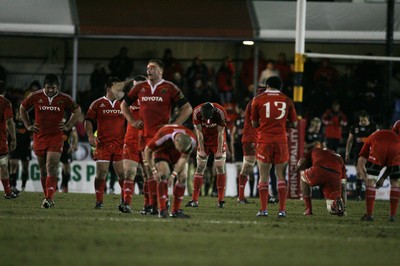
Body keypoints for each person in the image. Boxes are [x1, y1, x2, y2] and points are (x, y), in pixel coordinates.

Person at [120, 59, 192, 214]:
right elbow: (123, 104)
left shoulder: (169, 88)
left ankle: (159, 205)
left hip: (165, 139)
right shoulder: (140, 87)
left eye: (152, 68)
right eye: (147, 68)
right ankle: (150, 205)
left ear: (161, 71)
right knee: (148, 173)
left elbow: (187, 108)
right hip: (145, 137)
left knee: (164, 173)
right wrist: (132, 120)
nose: (149, 70)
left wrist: (173, 126)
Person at [20, 73, 81, 208]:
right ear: (44, 86)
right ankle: (47, 196)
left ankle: (49, 198)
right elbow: (22, 108)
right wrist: (28, 125)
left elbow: (77, 111)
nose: (51, 90)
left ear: (57, 87)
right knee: (43, 170)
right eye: (48, 88)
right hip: (39, 136)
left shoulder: (64, 98)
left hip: (56, 137)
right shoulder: (35, 96)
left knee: (51, 166)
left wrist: (69, 125)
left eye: (53, 88)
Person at [251, 76, 297, 217]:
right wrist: (283, 124)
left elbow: (254, 124)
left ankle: (264, 210)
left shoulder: (257, 99)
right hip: (281, 141)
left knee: (263, 176)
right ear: (280, 87)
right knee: (281, 176)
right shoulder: (287, 100)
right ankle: (282, 210)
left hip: (264, 140)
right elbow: (294, 124)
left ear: (267, 85)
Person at [84, 77, 126, 210]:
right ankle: (99, 200)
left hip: (120, 144)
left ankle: (125, 199)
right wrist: (90, 135)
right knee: (101, 172)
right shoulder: (97, 104)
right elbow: (88, 121)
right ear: (108, 89)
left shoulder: (124, 103)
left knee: (122, 174)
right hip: (103, 144)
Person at [144, 124, 197, 218]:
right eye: (180, 148)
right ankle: (162, 209)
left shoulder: (192, 141)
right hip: (162, 150)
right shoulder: (164, 134)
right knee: (164, 174)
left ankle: (175, 211)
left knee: (183, 176)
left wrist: (174, 175)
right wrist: (153, 170)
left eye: (183, 150)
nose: (182, 151)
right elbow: (147, 150)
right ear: (175, 141)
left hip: (176, 155)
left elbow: (184, 157)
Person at [186, 102, 228, 208]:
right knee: (200, 167)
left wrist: (219, 151)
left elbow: (220, 132)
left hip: (217, 139)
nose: (207, 121)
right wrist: (202, 149)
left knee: (219, 167)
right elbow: (199, 132)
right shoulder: (196, 112)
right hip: (204, 139)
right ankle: (194, 200)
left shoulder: (221, 112)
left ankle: (221, 201)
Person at [357, 125, 400, 222]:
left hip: (378, 146)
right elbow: (391, 168)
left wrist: (366, 180)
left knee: (371, 179)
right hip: (396, 146)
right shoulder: (396, 137)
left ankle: (369, 215)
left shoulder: (370, 138)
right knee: (395, 181)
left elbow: (360, 161)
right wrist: (382, 179)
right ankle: (392, 216)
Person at [232, 86, 266, 204]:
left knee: (261, 167)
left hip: (258, 139)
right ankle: (241, 197)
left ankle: (261, 195)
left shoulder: (259, 103)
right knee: (247, 167)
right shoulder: (254, 104)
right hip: (251, 138)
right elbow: (255, 122)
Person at [120, 75, 147, 213]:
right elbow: (122, 108)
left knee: (149, 175)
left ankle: (149, 205)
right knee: (129, 172)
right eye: (134, 85)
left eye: (139, 85)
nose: (136, 88)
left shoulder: (153, 101)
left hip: (148, 142)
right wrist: (132, 121)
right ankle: (126, 203)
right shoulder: (128, 100)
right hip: (131, 141)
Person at [296, 147, 347, 216]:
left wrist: (297, 169)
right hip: (335, 176)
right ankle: (338, 205)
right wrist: (344, 207)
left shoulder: (314, 150)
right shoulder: (339, 157)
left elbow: (301, 163)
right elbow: (343, 187)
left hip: (320, 170)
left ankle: (308, 209)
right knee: (331, 210)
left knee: (303, 176)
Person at [345, 111, 377, 201]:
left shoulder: (373, 126)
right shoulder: (355, 127)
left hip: (370, 152)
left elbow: (375, 139)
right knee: (359, 173)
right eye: (361, 120)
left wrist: (363, 139)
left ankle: (370, 192)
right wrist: (347, 153)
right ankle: (358, 196)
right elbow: (349, 141)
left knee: (368, 173)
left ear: (368, 119)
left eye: (364, 120)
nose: (362, 122)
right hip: (358, 152)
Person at [0, 80, 17, 199]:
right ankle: (7, 192)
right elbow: (10, 122)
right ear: (4, 92)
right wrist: (13, 139)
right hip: (0, 140)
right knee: (3, 166)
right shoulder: (5, 103)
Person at [9, 107, 31, 192]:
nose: (20, 115)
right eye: (18, 114)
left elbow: (35, 133)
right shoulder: (12, 123)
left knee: (25, 167)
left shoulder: (28, 123)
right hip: (15, 147)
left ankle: (23, 186)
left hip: (26, 148)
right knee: (13, 164)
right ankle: (12, 186)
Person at [59, 121, 78, 193]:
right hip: (55, 148)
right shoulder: (54, 121)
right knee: (54, 167)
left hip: (66, 149)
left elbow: (75, 136)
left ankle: (64, 185)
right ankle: (56, 187)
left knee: (66, 168)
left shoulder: (69, 123)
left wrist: (73, 146)